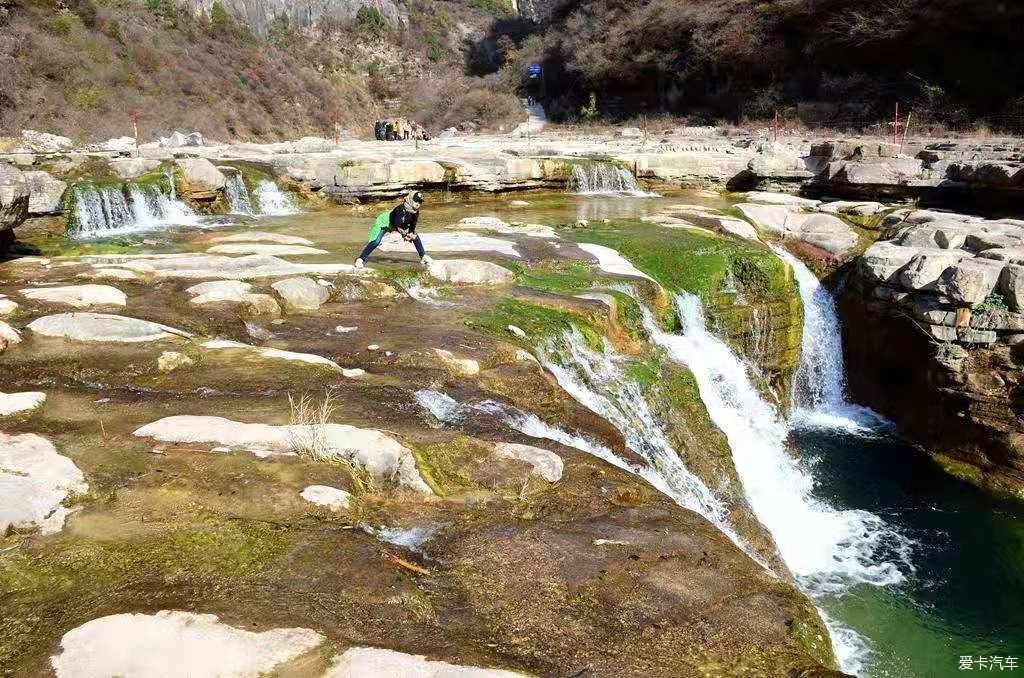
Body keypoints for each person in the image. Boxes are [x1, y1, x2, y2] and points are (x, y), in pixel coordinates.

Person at [355, 191, 432, 268]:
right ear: (410, 199)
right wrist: (404, 234)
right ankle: (361, 259)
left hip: (398, 225)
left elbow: (413, 225)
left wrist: (411, 233)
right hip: (385, 222)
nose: (418, 203)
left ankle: (423, 256)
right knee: (376, 241)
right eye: (416, 201)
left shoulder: (415, 212)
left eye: (420, 202)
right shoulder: (400, 209)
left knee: (415, 236)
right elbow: (396, 224)